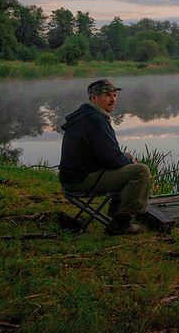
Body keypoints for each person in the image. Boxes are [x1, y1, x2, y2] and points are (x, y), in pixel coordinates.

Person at [59, 79, 151, 235]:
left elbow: (109, 154)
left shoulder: (86, 113)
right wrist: (130, 162)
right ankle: (121, 224)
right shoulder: (96, 120)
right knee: (141, 171)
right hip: (79, 181)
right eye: (108, 95)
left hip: (72, 176)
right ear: (94, 98)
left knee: (126, 157)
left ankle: (116, 211)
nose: (113, 99)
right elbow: (113, 159)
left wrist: (126, 159)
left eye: (114, 95)